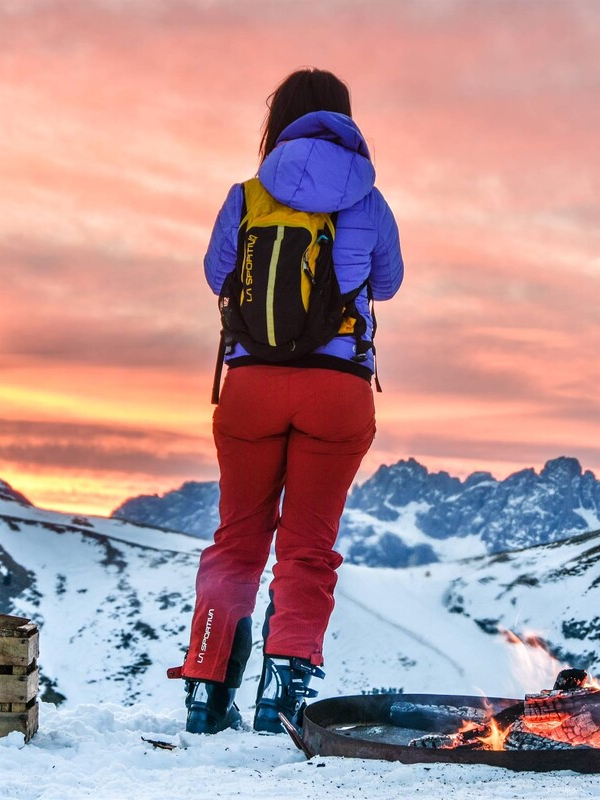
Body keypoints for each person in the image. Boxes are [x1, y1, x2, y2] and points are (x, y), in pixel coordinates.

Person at [179, 68, 404, 735]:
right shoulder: (368, 200)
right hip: (336, 389)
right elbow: (387, 284)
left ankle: (205, 688)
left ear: (277, 123)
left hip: (250, 385)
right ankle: (281, 694)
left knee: (236, 540)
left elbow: (216, 276)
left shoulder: (246, 195)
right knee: (307, 547)